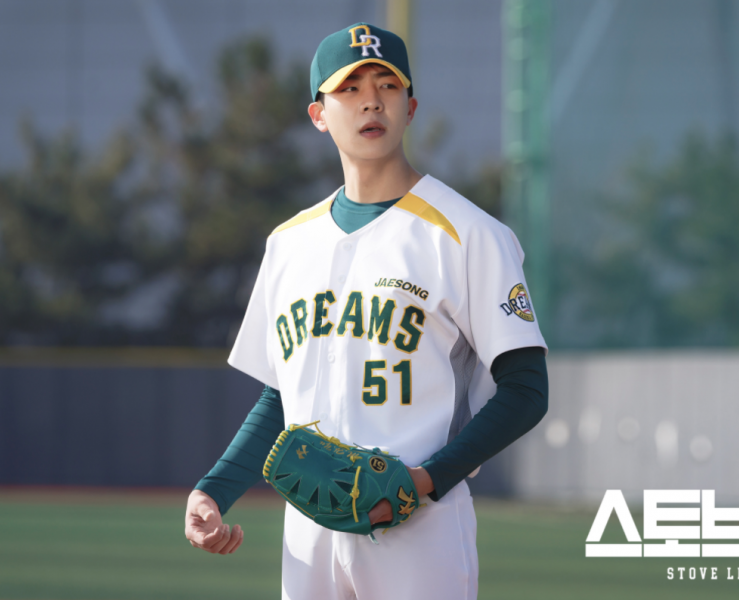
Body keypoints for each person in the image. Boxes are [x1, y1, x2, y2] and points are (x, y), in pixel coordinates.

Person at [183, 22, 548, 600]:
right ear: (318, 114)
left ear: (410, 108)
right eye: (349, 88)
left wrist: (425, 482)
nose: (371, 100)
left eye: (387, 85)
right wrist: (213, 490)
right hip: (308, 531)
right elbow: (283, 399)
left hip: (420, 528)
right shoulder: (288, 243)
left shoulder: (468, 233)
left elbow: (527, 389)